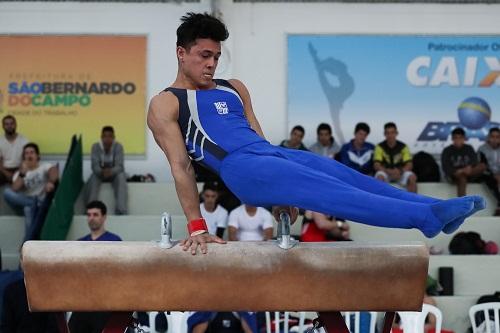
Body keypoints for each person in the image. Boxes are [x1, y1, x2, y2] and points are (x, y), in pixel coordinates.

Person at [147, 12, 483, 255]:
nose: (212, 64)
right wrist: (197, 226)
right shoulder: (167, 103)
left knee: (346, 175)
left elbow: (260, 139)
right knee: (333, 192)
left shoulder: (234, 87)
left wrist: (280, 194)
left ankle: (434, 208)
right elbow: (182, 167)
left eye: (217, 56)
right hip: (240, 168)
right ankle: (423, 217)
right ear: (181, 52)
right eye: (205, 55)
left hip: (269, 156)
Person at [68, 200, 121, 333]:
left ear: (104, 217)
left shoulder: (114, 241)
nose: (91, 218)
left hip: (105, 302)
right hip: (83, 303)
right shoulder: (80, 243)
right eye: (89, 215)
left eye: (95, 214)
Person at [3, 143, 58, 241]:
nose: (29, 155)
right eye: (26, 153)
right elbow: (15, 189)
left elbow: (54, 172)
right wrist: (23, 173)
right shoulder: (20, 173)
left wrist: (50, 182)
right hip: (28, 202)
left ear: (38, 156)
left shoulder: (44, 166)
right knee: (7, 192)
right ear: (23, 157)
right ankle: (34, 203)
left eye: (32, 152)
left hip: (42, 205)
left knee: (28, 209)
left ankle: (26, 244)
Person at [85, 126, 128, 215]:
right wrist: (102, 171)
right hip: (100, 174)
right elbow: (94, 166)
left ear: (113, 138)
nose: (107, 139)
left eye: (110, 136)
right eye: (105, 136)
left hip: (114, 174)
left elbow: (120, 166)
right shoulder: (95, 147)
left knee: (121, 176)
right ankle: (90, 210)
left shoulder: (118, 147)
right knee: (93, 177)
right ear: (101, 137)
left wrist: (111, 171)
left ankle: (121, 210)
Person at [373, 122, 417, 192]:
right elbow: (376, 165)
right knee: (379, 177)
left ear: (396, 133)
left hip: (400, 173)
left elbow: (409, 164)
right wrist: (387, 171)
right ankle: (381, 202)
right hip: (385, 172)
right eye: (387, 133)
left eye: (392, 132)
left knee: (412, 177)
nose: (390, 135)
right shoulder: (379, 147)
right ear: (384, 134)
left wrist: (400, 171)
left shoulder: (403, 146)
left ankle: (414, 202)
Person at [441, 127, 485, 198]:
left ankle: (465, 172)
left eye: (460, 138)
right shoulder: (447, 150)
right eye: (456, 138)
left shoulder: (469, 148)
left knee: (482, 166)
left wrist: (469, 167)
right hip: (454, 175)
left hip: (469, 172)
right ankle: (462, 203)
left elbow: (475, 161)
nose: (458, 140)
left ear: (464, 138)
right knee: (462, 177)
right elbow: (445, 167)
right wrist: (460, 171)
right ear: (452, 139)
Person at [0, 115, 29, 185]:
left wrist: (19, 173)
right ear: (3, 126)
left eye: (11, 123)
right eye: (6, 124)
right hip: (3, 170)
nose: (9, 126)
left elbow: (26, 160)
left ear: (16, 125)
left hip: (19, 169)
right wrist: (7, 173)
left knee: (31, 175)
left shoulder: (24, 141)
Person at [477, 127, 500, 215]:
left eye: (497, 137)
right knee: (491, 179)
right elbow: (481, 166)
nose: (494, 139)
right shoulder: (482, 149)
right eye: (492, 137)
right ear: (488, 137)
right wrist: (494, 175)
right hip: (487, 174)